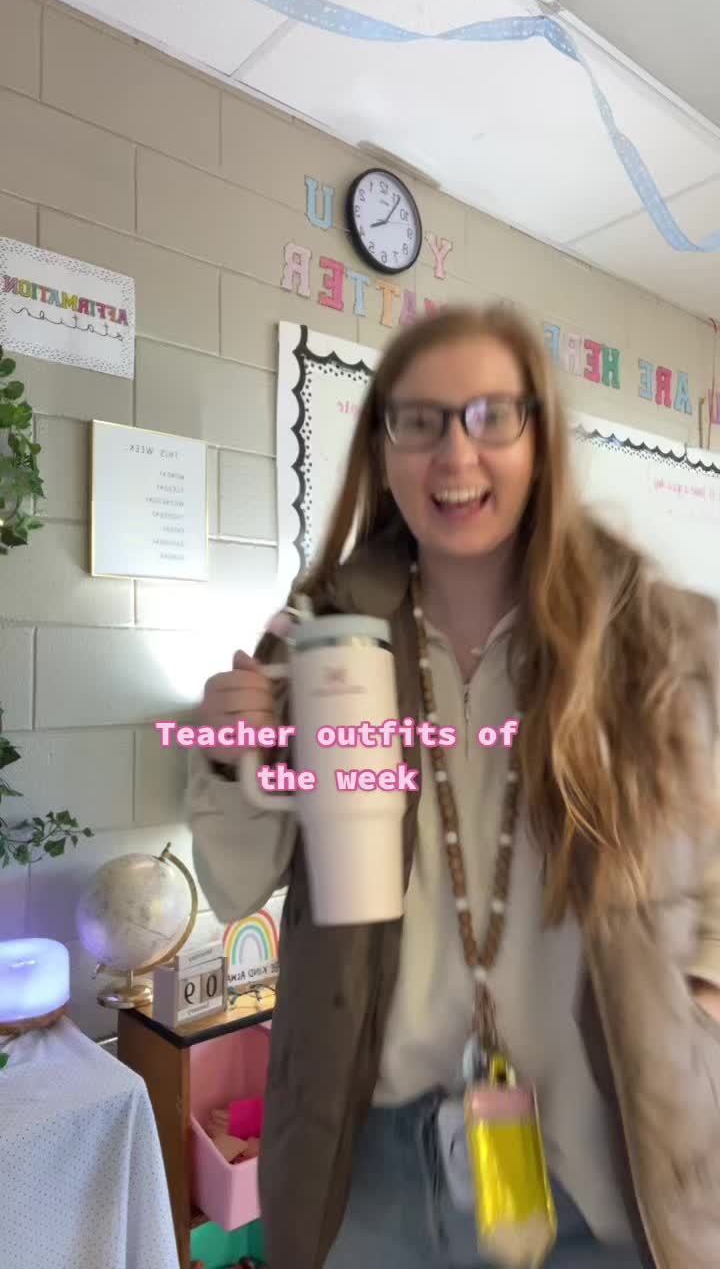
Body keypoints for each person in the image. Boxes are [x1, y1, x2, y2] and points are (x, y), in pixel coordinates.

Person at [189, 304, 720, 1269]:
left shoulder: (661, 640)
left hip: (605, 1162)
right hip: (371, 1163)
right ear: (382, 445)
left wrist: (700, 1008)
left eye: (490, 416)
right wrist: (233, 751)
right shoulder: (319, 639)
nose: (455, 453)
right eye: (419, 420)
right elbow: (233, 887)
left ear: (540, 440)